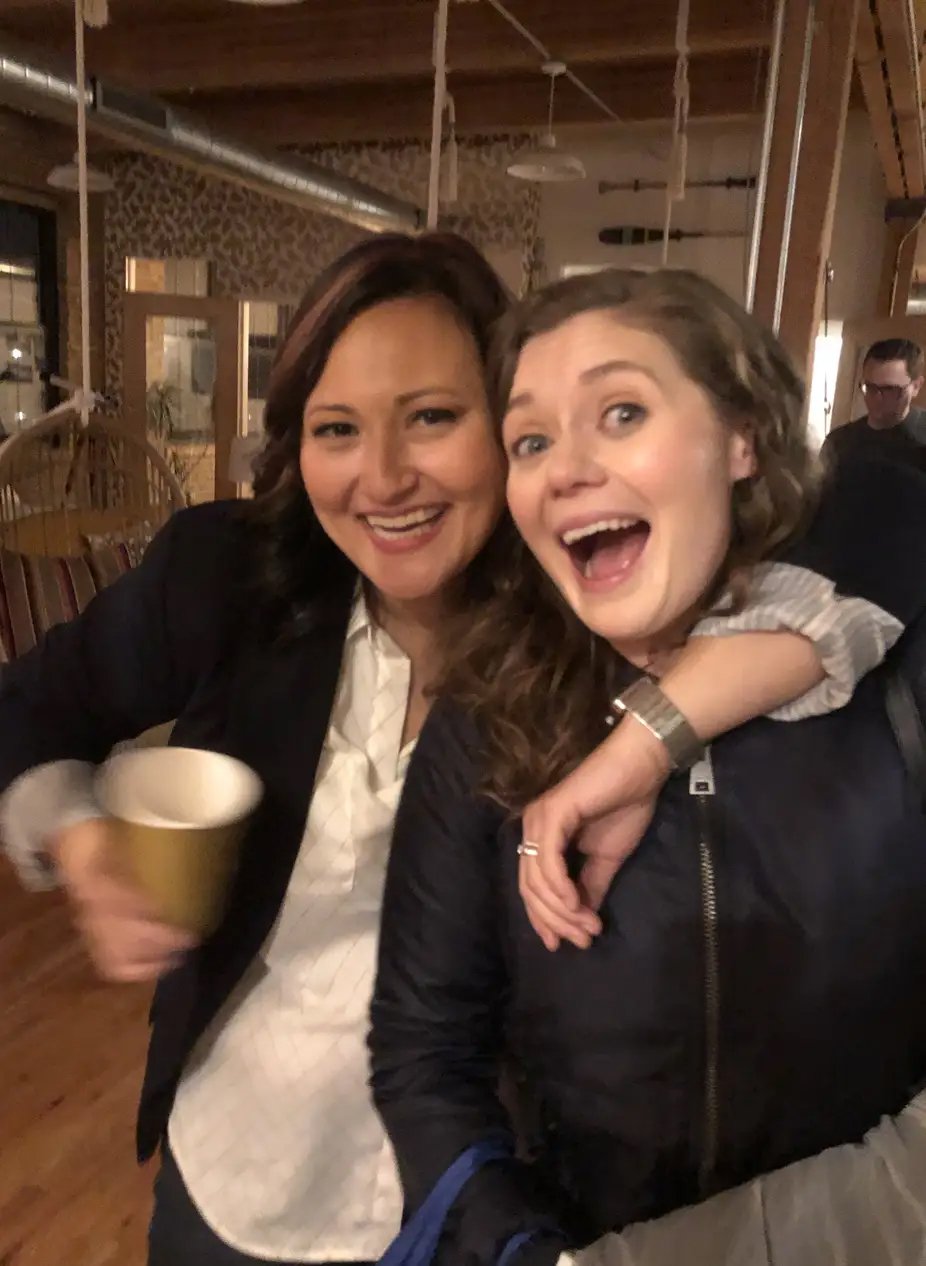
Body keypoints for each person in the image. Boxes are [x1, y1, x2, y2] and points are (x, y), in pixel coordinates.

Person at [0, 237, 909, 1265]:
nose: (383, 477)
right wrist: (78, 843)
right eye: (334, 429)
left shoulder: (597, 616)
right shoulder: (230, 581)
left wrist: (654, 733)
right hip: (234, 1171)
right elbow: (26, 710)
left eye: (432, 418)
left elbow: (865, 522)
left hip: (478, 1208)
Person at [370, 268, 926, 1266]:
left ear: (740, 439)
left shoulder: (898, 678)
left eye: (619, 413)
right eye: (530, 440)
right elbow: (422, 1050)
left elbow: (890, 500)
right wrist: (518, 1252)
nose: (564, 470)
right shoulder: (485, 712)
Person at [822, 336, 926, 471]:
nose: (877, 398)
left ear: (916, 386)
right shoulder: (839, 442)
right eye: (870, 387)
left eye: (891, 390)